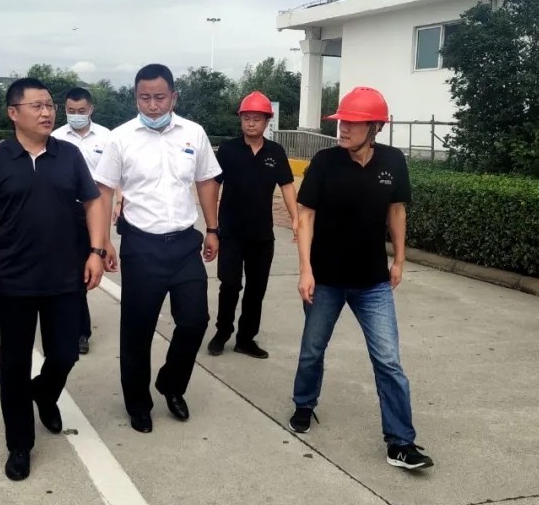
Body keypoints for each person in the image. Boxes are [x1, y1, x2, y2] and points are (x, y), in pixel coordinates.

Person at [0, 78, 108, 481]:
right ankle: (19, 444)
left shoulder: (68, 155)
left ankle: (44, 392)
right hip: (14, 279)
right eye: (37, 106)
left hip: (65, 276)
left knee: (65, 354)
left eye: (49, 106)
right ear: (14, 113)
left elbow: (93, 202)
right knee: (13, 363)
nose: (47, 113)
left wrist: (96, 251)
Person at [288, 86, 433, 471]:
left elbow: (397, 211)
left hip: (373, 282)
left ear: (375, 127)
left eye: (353, 123)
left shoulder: (393, 161)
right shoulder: (325, 162)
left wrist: (399, 259)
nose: (343, 129)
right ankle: (304, 404)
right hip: (325, 279)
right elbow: (305, 216)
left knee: (388, 361)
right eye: (342, 122)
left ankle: (400, 443)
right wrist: (305, 270)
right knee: (313, 349)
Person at [93, 63, 222, 434]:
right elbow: (103, 191)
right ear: (135, 98)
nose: (152, 106)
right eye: (144, 98)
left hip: (183, 244)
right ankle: (138, 403)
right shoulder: (121, 138)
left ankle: (171, 384)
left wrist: (213, 229)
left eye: (160, 97)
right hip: (141, 246)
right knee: (138, 330)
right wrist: (102, 242)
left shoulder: (193, 133)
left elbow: (206, 181)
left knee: (195, 320)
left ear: (174, 97)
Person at [206, 91, 298, 359]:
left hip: (262, 236)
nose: (250, 123)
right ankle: (222, 333)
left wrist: (296, 219)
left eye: (256, 119)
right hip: (231, 233)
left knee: (256, 290)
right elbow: (213, 186)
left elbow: (287, 187)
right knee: (230, 286)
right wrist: (212, 227)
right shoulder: (229, 150)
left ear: (267, 121)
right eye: (246, 118)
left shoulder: (275, 152)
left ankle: (246, 339)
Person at [52, 86, 112, 355]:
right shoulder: (55, 137)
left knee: (80, 272)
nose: (76, 115)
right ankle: (60, 326)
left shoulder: (107, 138)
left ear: (91, 109)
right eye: (70, 111)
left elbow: (114, 179)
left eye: (81, 110)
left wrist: (117, 204)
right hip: (61, 211)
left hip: (91, 211)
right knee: (58, 270)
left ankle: (80, 332)